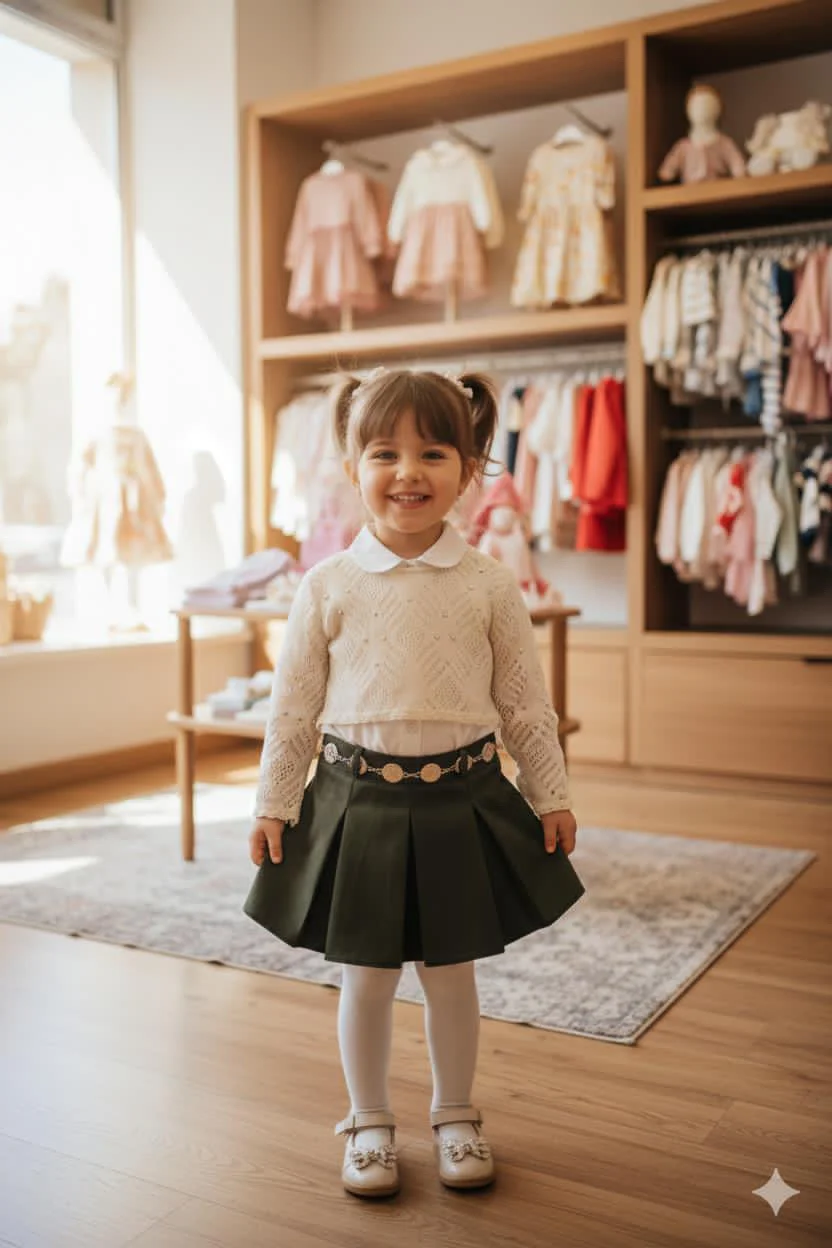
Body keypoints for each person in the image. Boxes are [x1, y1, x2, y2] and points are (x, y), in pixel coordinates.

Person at [245, 367, 585, 1199]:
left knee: (450, 972)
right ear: (351, 467)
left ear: (469, 470)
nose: (408, 472)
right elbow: (294, 708)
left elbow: (525, 703)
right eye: (384, 454)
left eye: (433, 453)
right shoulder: (326, 585)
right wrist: (274, 802)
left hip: (461, 800)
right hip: (354, 802)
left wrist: (550, 792)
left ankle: (455, 1113)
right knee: (365, 976)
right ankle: (368, 1122)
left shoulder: (489, 584)